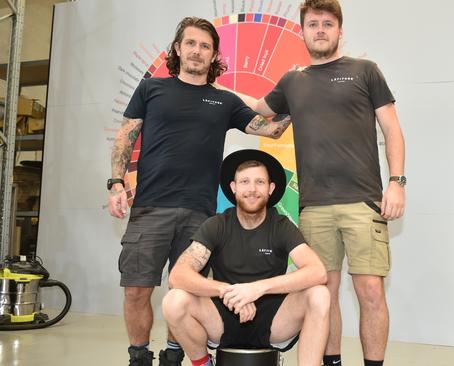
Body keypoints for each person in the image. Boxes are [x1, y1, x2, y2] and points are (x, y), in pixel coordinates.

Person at [222, 1, 406, 365]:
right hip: (314, 206)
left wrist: (397, 182)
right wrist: (214, 88)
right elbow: (259, 107)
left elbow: (392, 128)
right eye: (312, 24)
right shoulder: (294, 80)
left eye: (327, 23)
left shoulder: (365, 71)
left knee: (370, 291)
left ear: (339, 30)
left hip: (363, 202)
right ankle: (332, 361)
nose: (320, 29)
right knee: (324, 291)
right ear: (303, 31)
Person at [107, 17, 291, 366]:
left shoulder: (223, 101)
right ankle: (139, 357)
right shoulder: (151, 89)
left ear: (213, 55)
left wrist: (296, 92)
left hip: (199, 214)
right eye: (190, 43)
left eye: (205, 46)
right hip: (150, 208)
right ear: (177, 49)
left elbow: (272, 129)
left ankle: (175, 356)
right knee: (136, 290)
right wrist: (116, 183)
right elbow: (125, 135)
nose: (197, 50)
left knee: (186, 291)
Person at [162, 149, 330, 366]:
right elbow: (178, 276)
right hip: (222, 317)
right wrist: (228, 292)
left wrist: (257, 288)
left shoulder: (282, 226)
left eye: (260, 182)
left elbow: (317, 271)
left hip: (274, 320)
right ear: (233, 188)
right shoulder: (217, 225)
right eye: (244, 182)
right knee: (174, 301)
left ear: (270, 189)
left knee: (320, 294)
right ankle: (203, 364)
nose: (252, 189)